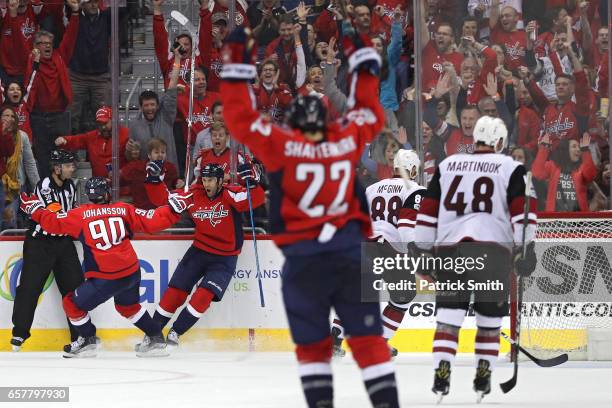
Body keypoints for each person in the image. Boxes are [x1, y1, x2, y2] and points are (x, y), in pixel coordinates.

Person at [221, 27, 400, 407]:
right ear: (326, 121)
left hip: (303, 264)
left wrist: (237, 63)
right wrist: (366, 62)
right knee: (369, 345)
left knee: (314, 352)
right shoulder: (344, 139)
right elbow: (369, 112)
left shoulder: (282, 144)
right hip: (350, 258)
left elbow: (237, 117)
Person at [413, 116, 538, 402]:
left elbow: (428, 212)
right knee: (490, 319)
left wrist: (422, 249)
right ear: (499, 142)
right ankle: (483, 373)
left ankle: (441, 371)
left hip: (450, 251)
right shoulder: (512, 168)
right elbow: (523, 213)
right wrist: (526, 249)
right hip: (492, 252)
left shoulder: (447, 165)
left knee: (449, 317)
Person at [18, 176, 192, 357]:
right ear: (107, 193)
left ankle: (88, 339)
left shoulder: (79, 215)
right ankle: (155, 336)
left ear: (88, 196)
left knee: (71, 304)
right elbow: (153, 220)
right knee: (128, 306)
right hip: (131, 271)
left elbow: (54, 222)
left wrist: (35, 209)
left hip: (106, 277)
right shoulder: (123, 209)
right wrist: (173, 210)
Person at [149, 162, 264, 347]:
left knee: (203, 296)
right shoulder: (194, 193)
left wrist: (253, 183)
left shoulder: (230, 193)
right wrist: (153, 181)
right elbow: (164, 199)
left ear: (220, 181)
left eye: (210, 180)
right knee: (174, 294)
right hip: (199, 251)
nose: (206, 184)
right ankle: (153, 334)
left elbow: (253, 200)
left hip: (224, 258)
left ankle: (175, 333)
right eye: (204, 179)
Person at [331, 149, 425, 357]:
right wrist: (415, 250)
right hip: (390, 248)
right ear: (413, 170)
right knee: (403, 296)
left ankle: (335, 335)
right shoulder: (416, 189)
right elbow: (406, 225)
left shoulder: (372, 188)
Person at [10, 150, 83, 352]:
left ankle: (80, 336)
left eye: (72, 165)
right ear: (57, 168)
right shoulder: (44, 187)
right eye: (68, 165)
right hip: (40, 243)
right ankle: (19, 333)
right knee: (29, 288)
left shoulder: (70, 186)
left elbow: (71, 213)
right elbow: (56, 219)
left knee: (74, 290)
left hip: (63, 244)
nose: (72, 168)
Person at [54, 106, 129, 178]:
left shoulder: (126, 134)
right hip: (98, 187)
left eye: (105, 123)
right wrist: (64, 140)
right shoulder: (91, 136)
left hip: (121, 186)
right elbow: (76, 140)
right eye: (100, 124)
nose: (103, 127)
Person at [532, 133, 597, 212]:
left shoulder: (582, 167)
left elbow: (590, 175)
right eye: (574, 146)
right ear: (565, 149)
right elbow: (537, 173)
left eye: (579, 147)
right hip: (555, 218)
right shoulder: (553, 166)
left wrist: (585, 151)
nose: (578, 149)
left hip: (578, 217)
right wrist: (544, 148)